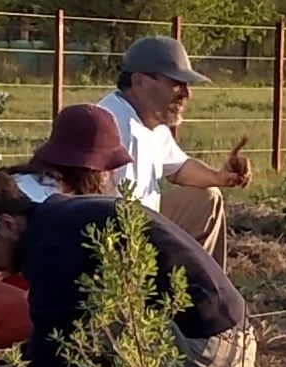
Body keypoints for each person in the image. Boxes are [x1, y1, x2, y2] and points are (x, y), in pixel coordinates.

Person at [0, 161, 260, 367]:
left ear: (7, 224)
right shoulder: (65, 217)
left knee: (79, 343)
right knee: (88, 325)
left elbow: (48, 363)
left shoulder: (50, 247)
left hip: (208, 349)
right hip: (236, 340)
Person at [93, 33, 253, 254]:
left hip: (142, 224)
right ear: (139, 81)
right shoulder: (113, 125)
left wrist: (219, 177)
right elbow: (106, 210)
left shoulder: (151, 121)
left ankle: (198, 286)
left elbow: (179, 168)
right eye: (176, 83)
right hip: (115, 238)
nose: (187, 93)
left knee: (208, 199)